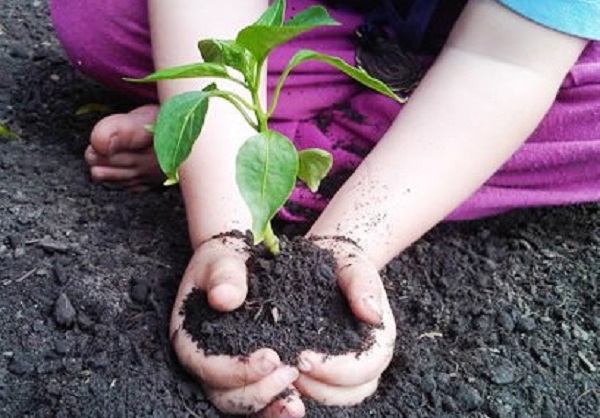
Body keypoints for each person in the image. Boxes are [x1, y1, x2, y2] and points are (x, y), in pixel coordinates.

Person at [50, 0, 600, 416]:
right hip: (323, 19)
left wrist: (351, 241)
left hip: (513, 51)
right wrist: (226, 228)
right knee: (97, 19)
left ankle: (231, 135)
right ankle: (256, 136)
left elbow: (505, 65)